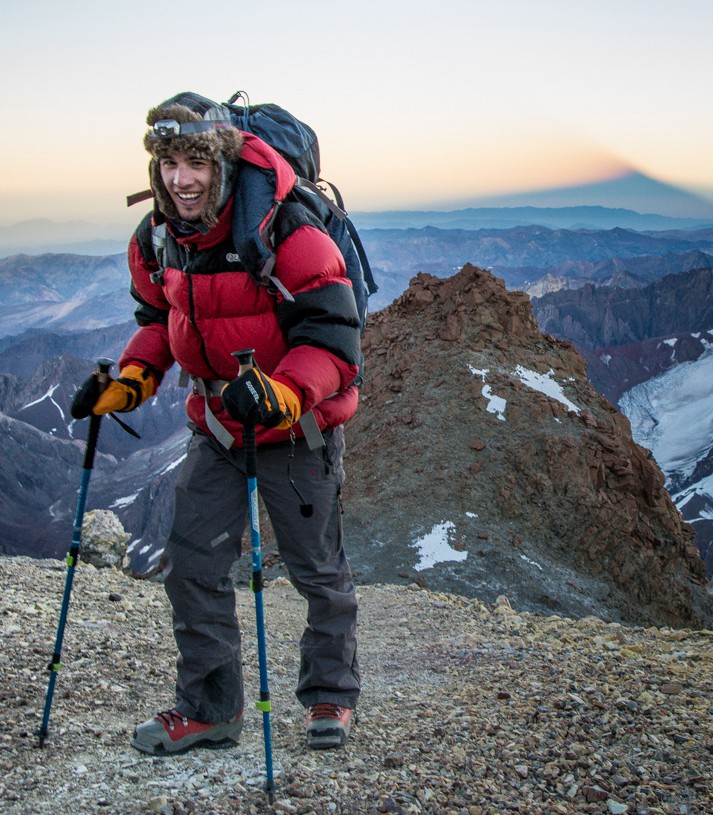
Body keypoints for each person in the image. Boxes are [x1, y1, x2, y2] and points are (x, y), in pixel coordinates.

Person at [71, 93, 362, 755]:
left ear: (221, 163)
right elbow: (156, 323)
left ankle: (331, 696)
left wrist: (287, 392)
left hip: (296, 429)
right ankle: (210, 710)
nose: (180, 178)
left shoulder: (286, 229)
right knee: (193, 563)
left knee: (315, 567)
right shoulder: (157, 237)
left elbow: (335, 337)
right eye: (168, 163)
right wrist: (128, 383)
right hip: (219, 427)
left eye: (194, 163)